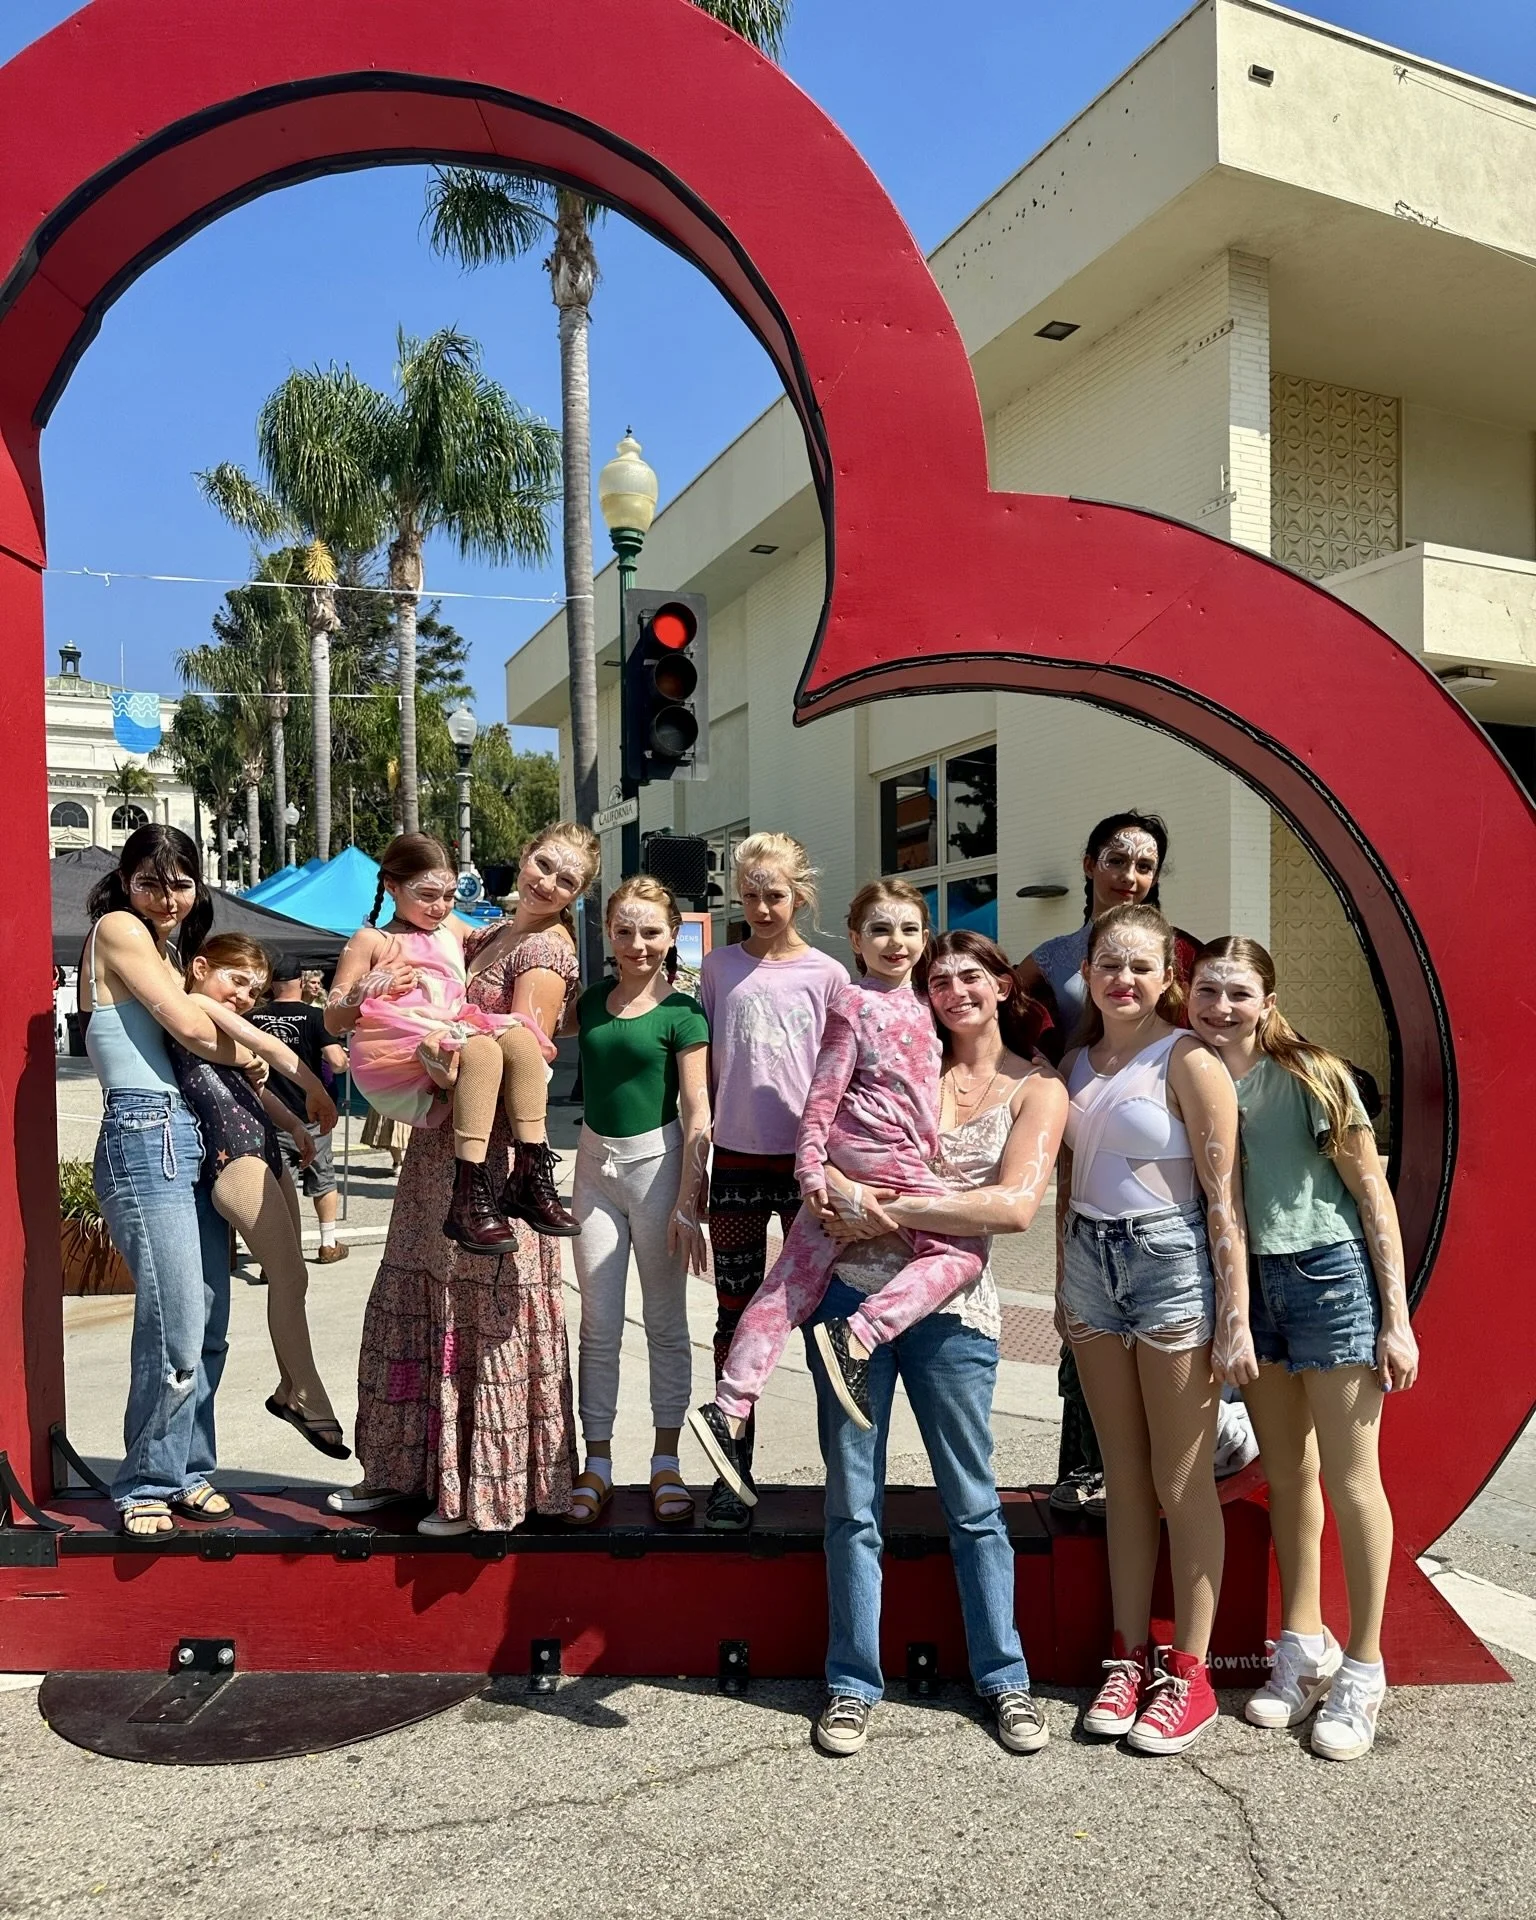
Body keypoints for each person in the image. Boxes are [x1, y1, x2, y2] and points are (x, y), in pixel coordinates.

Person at [806, 929, 1068, 1755]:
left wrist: (891, 1206)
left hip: (953, 1315)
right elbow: (824, 1146)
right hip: (850, 1297)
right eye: (939, 979)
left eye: (971, 975)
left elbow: (1011, 1209)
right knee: (852, 1502)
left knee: (974, 1501)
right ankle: (852, 1682)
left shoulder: (1036, 1089)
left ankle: (1004, 1678)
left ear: (1001, 986)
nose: (954, 989)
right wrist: (834, 1189)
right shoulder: (903, 1063)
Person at [326, 822, 596, 1535]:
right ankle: (408, 1472)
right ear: (525, 854)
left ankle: (480, 1489)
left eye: (566, 880)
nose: (546, 881)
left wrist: (451, 1066)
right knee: (422, 1298)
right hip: (437, 1146)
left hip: (496, 1160)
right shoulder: (482, 934)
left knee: (477, 1314)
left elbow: (527, 1061)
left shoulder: (541, 949)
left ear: (576, 897)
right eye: (543, 863)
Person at [1188, 938, 1419, 1762]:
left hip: (1328, 1275)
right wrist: (1234, 1312)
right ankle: (1303, 1643)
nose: (1221, 1007)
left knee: (1356, 1478)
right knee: (1288, 1474)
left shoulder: (1315, 1075)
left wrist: (1396, 1316)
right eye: (1207, 991)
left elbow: (1371, 1193)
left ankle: (1364, 1666)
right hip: (1249, 1284)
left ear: (1268, 1000)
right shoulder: (1195, 1077)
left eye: (1238, 992)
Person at [689, 880, 988, 1497]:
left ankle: (730, 1405)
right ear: (856, 940)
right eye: (880, 930)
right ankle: (862, 1334)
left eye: (908, 930)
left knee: (788, 1283)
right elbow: (820, 1099)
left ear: (925, 937)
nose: (896, 942)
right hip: (881, 1157)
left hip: (872, 1159)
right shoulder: (854, 1004)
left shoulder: (927, 1009)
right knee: (963, 1251)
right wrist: (811, 1173)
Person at [1059, 903, 1255, 1755]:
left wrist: (1235, 1316)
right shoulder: (1074, 1062)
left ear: (1167, 976)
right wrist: (1066, 1288)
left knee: (1182, 1480)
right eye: (1109, 962)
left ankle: (1191, 1672)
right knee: (1124, 1478)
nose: (1124, 979)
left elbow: (1226, 1200)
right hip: (1089, 1268)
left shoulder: (1189, 1058)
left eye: (1141, 965)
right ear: (1089, 971)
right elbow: (1069, 1182)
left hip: (1171, 1264)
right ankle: (1126, 1655)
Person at [1017, 812, 1250, 1516]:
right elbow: (1004, 1011)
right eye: (1118, 860)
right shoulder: (1056, 956)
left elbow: (1232, 1015)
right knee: (1086, 1352)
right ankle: (1084, 1470)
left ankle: (1213, 1453)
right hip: (1088, 1162)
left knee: (1181, 1342)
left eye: (1146, 866)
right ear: (1089, 864)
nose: (1131, 876)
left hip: (1175, 1167)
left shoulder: (1180, 952)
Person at [79, 826, 248, 1536]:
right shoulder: (118, 928)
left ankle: (189, 1469)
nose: (168, 896)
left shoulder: (172, 949)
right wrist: (256, 1048)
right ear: (125, 882)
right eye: (151, 881)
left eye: (181, 882)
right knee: (174, 1322)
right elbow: (187, 1026)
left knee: (208, 1324)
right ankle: (145, 1480)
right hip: (144, 1136)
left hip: (189, 1136)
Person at [697, 832, 848, 1527]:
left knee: (820, 1319)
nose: (761, 906)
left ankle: (843, 1480)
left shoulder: (828, 975)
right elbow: (700, 1073)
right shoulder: (719, 968)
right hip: (733, 1163)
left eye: (775, 894)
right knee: (733, 1319)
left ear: (800, 895)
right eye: (750, 894)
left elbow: (845, 1072)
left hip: (805, 1173)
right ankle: (733, 1471)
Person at [341, 832, 576, 1252]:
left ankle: (530, 1171)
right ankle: (471, 1188)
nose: (440, 906)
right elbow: (334, 1014)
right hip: (399, 1047)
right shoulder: (372, 939)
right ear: (391, 886)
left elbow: (500, 938)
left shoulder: (448, 932)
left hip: (450, 1033)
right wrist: (364, 990)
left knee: (519, 1038)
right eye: (428, 894)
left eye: (449, 895)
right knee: (484, 1048)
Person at [568, 877, 711, 1526]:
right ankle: (596, 1464)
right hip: (594, 1172)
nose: (638, 943)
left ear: (672, 933)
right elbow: (520, 1021)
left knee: (663, 1324)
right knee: (597, 1325)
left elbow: (698, 1111)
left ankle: (665, 1461)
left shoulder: (684, 1013)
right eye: (624, 930)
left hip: (659, 1172)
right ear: (608, 934)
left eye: (651, 931)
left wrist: (689, 1196)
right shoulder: (589, 1003)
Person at [169, 935, 346, 1459]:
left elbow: (252, 1085)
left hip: (264, 1149)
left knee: (295, 1277)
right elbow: (268, 1049)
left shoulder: (215, 1027)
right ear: (200, 968)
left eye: (254, 988)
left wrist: (295, 1123)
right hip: (234, 1159)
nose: (246, 995)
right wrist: (315, 1088)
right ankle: (309, 1395)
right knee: (289, 1275)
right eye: (237, 980)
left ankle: (290, 1390)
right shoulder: (194, 1006)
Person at [248, 953, 352, 1264]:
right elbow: (337, 1062)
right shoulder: (314, 1016)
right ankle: (327, 1243)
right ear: (301, 982)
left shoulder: (252, 1017)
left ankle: (277, 1255)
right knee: (323, 1178)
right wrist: (345, 1059)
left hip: (268, 1112)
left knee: (278, 1186)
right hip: (310, 1114)